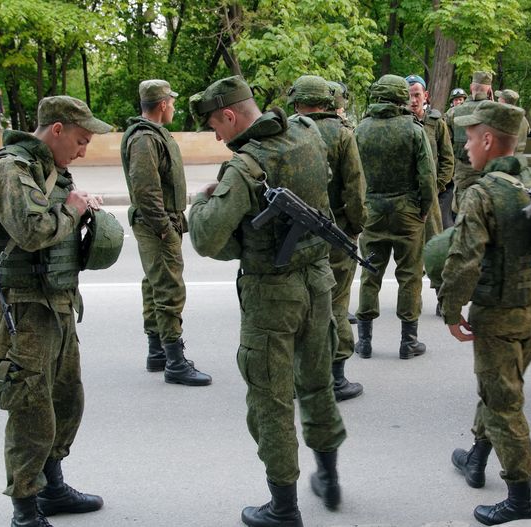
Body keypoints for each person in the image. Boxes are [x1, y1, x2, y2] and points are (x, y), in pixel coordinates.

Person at [187, 75, 346, 527]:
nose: (217, 137)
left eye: (216, 126)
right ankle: (328, 475)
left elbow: (205, 238)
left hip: (272, 294)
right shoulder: (307, 134)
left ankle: (283, 508)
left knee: (270, 399)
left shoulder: (244, 167)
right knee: (317, 383)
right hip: (318, 282)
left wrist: (200, 203)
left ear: (229, 115)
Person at [0, 95, 113, 527]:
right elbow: (33, 231)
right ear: (56, 129)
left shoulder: (45, 170)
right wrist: (73, 208)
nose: (83, 151)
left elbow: (54, 219)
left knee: (66, 399)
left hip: (58, 302)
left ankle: (52, 488)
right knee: (31, 409)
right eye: (81, 140)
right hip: (27, 309)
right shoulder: (9, 170)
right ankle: (25, 509)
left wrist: (79, 207)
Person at [439, 100, 531, 526]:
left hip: (497, 318)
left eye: (470, 138)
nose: (466, 147)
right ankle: (477, 458)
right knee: (500, 391)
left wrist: (450, 309)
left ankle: (519, 499)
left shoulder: (482, 194)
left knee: (502, 403)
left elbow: (464, 260)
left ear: (489, 140)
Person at [120, 79, 211, 386]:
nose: (173, 106)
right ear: (162, 104)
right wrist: (164, 228)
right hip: (157, 224)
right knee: (169, 289)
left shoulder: (151, 134)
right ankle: (174, 361)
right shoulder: (145, 139)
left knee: (154, 284)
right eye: (171, 102)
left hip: (159, 222)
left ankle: (158, 352)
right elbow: (145, 189)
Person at [288, 74, 366, 402]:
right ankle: (336, 378)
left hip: (294, 232)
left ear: (297, 102)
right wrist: (356, 226)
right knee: (336, 302)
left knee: (300, 303)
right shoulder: (342, 133)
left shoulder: (286, 130)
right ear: (327, 101)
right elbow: (354, 187)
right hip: (337, 232)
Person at [353, 74, 435, 360]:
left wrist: (359, 210)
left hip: (372, 211)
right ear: (401, 97)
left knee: (370, 273)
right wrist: (424, 208)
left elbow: (353, 175)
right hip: (408, 212)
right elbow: (427, 176)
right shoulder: (413, 130)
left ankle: (364, 341)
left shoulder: (361, 130)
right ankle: (408, 342)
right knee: (410, 275)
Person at [406, 74, 455, 236]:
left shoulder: (436, 123)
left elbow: (448, 159)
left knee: (432, 239)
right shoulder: (400, 124)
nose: (413, 100)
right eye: (409, 96)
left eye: (417, 95)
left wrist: (438, 186)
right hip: (406, 197)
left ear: (425, 96)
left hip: (431, 194)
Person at [447, 71, 495, 214]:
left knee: (462, 213)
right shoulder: (495, 111)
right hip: (489, 174)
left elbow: (446, 146)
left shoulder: (453, 112)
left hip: (463, 173)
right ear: (489, 90)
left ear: (471, 87)